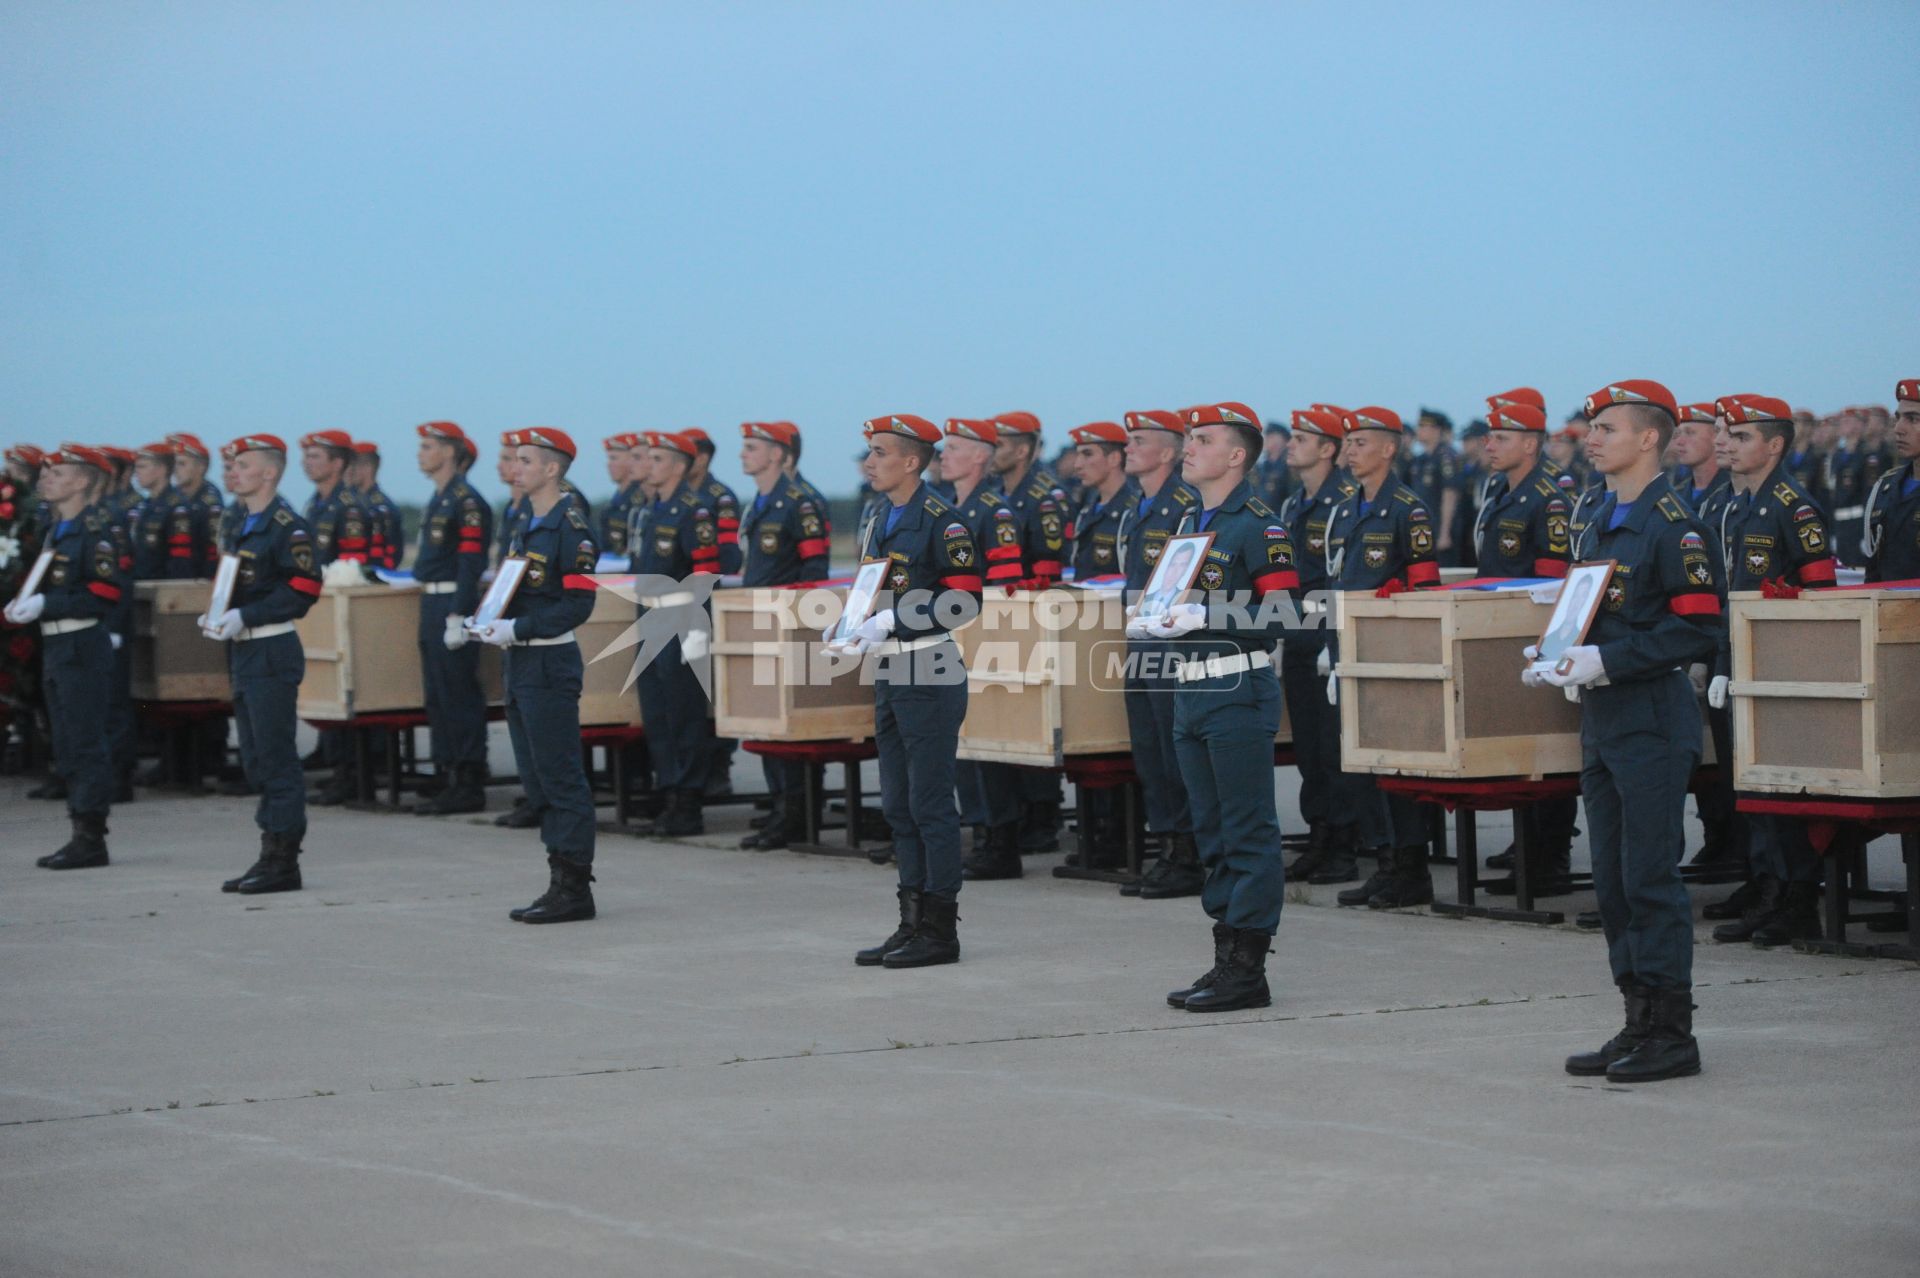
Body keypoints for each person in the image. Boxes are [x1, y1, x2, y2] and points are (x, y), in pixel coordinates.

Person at [1542, 379, 1720, 1083]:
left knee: (1648, 877)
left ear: (1650, 438)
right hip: (1605, 715)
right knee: (1613, 881)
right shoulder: (1598, 517)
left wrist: (1607, 657)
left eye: (1607, 428)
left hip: (1650, 714)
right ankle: (1636, 1019)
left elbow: (1699, 627)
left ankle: (1672, 1032)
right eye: (1592, 427)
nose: (1592, 437)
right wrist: (1555, 651)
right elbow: (1591, 611)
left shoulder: (1673, 525)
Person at [1127, 401, 1298, 1012]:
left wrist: (1208, 615)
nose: (1189, 447)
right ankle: (1226, 955)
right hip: (1189, 688)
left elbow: (1290, 616)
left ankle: (1247, 969)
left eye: (1202, 439)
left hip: (1236, 687)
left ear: (1236, 456)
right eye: (1188, 438)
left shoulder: (1258, 525)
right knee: (1212, 832)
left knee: (1247, 830)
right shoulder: (1190, 528)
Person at [841, 413, 982, 968]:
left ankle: (940, 930)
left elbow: (965, 600)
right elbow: (872, 585)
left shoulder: (941, 522)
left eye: (879, 453)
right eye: (869, 453)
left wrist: (897, 618)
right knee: (898, 805)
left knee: (929, 805)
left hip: (929, 667)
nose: (869, 462)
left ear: (911, 461)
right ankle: (910, 920)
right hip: (890, 669)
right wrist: (854, 622)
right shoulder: (881, 516)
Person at [1703, 394, 1838, 949]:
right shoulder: (1732, 505)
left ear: (1774, 445)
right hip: (1732, 659)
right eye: (1726, 436)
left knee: (1780, 789)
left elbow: (1820, 592)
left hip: (1779, 667)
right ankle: (1768, 889)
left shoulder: (1792, 506)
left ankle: (1797, 898)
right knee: (1749, 788)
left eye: (1741, 438)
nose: (1727, 446)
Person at [474, 427, 603, 923]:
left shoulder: (571, 527)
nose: (515, 468)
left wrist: (517, 626)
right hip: (520, 659)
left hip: (548, 659)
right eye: (514, 460)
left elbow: (578, 604)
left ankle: (574, 887)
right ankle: (557, 880)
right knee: (536, 778)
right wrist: (487, 619)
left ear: (552, 469)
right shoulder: (526, 520)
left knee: (559, 775)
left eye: (525, 460)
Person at [1326, 407, 1442, 908]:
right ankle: (1386, 861)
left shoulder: (1406, 509)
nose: (1349, 451)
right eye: (1347, 443)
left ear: (1389, 449)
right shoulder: (1350, 507)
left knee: (1397, 767)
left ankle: (1411, 867)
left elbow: (1424, 589)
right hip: (1352, 648)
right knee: (1364, 766)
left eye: (1360, 443)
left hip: (1392, 655)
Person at [207, 434, 324, 894]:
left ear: (270, 473)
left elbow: (305, 588)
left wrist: (245, 615)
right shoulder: (242, 523)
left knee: (275, 758)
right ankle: (270, 851)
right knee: (255, 757)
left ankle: (282, 861)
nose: (232, 472)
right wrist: (219, 612)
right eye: (231, 465)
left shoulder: (285, 526)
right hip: (245, 649)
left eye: (243, 465)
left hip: (271, 648)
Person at [1471, 400, 1578, 895]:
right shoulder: (1501, 488)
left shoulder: (1551, 496)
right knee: (1517, 750)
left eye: (1502, 436)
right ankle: (1528, 845)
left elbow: (1555, 581)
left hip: (1534, 635)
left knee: (1546, 750)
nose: (1489, 444)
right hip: (1500, 633)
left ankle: (1550, 855)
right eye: (1490, 436)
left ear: (1531, 444)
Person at [6, 444, 128, 869]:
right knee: (66, 741)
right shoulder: (54, 530)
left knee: (84, 742)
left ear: (81, 481)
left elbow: (106, 592)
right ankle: (79, 828)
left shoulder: (96, 531)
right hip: (57, 645)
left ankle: (91, 836)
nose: (45, 479)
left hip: (80, 644)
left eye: (57, 473)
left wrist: (46, 606)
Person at [734, 420, 835, 850]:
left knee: (791, 726)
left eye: (753, 447)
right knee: (765, 722)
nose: (744, 454)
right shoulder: (760, 502)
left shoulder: (802, 501)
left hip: (788, 627)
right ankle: (779, 807)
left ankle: (797, 812)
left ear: (778, 453)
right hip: (757, 621)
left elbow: (815, 573)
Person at [1114, 409, 1203, 898]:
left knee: (1175, 751)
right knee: (1148, 749)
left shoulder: (1185, 506)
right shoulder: (1140, 506)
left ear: (1168, 452)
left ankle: (1188, 853)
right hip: (1139, 639)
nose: (1128, 448)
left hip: (1172, 644)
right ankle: (1167, 846)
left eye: (1139, 440)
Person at [1274, 406, 1362, 886]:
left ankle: (1345, 845)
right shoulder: (1293, 505)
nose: (1291, 444)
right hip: (1300, 637)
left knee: (1333, 747)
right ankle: (1320, 835)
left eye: (1302, 438)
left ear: (1328, 448)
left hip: (1331, 637)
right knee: (1308, 747)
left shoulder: (1344, 502)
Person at [627, 430, 723, 837]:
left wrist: (700, 626)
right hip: (651, 619)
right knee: (658, 715)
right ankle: (668, 793)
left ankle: (688, 802)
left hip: (681, 620)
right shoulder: (652, 510)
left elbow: (704, 572)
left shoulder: (693, 510)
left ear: (680, 466)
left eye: (658, 458)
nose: (649, 464)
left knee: (684, 716)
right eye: (648, 457)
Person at [986, 410, 1072, 855]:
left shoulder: (1044, 497)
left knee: (1036, 716)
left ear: (1021, 449)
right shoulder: (1000, 494)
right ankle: (1019, 810)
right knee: (1008, 717)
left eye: (1000, 444)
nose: (992, 451)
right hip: (1001, 622)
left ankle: (1043, 812)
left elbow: (1049, 568)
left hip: (1034, 621)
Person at [411, 421, 494, 816]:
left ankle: (469, 777)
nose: (420, 453)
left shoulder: (466, 501)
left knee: (458, 694)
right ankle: (447, 769)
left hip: (450, 604)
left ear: (448, 452)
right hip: (431, 602)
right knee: (437, 694)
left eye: (428, 446)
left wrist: (460, 614)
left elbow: (470, 562)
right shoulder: (439, 498)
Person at [300, 429, 375, 806]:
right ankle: (335, 767)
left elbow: (354, 567)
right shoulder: (316, 505)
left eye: (316, 456)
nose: (307, 463)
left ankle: (349, 773)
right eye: (308, 456)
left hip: (339, 610)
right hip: (318, 609)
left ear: (338, 463)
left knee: (344, 690)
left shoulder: (350, 507)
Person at [682, 428, 743, 799]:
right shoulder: (674, 496)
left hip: (708, 601)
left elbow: (730, 556)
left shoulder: (719, 498)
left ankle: (719, 766)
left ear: (702, 458)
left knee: (714, 689)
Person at [1861, 378, 1920, 581]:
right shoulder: (1885, 486)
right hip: (1888, 610)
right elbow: (1873, 573)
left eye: (1913, 419)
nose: (1898, 429)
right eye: (1899, 418)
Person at [1410, 409, 1467, 565]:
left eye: (1424, 426)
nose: (1419, 431)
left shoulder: (1446, 456)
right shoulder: (1420, 459)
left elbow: (1450, 495)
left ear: (1436, 430)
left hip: (1441, 528)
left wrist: (1445, 532)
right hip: (1423, 528)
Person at [350, 440, 406, 571]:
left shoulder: (383, 507)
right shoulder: (350, 501)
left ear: (367, 467)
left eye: (352, 466)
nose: (348, 472)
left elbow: (392, 553)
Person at [599, 433, 642, 559]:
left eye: (614, 458)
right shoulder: (615, 500)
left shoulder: (639, 501)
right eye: (609, 459)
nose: (609, 464)